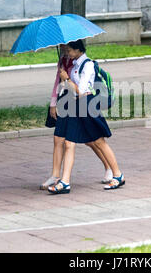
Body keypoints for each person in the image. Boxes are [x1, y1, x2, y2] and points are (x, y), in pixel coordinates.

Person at [47, 40, 125, 194]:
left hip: (87, 106)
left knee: (99, 141)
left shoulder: (87, 65)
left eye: (69, 50)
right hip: (77, 106)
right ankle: (65, 182)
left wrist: (67, 79)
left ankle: (118, 174)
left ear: (78, 50)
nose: (67, 53)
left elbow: (80, 91)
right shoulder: (75, 64)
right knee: (69, 142)